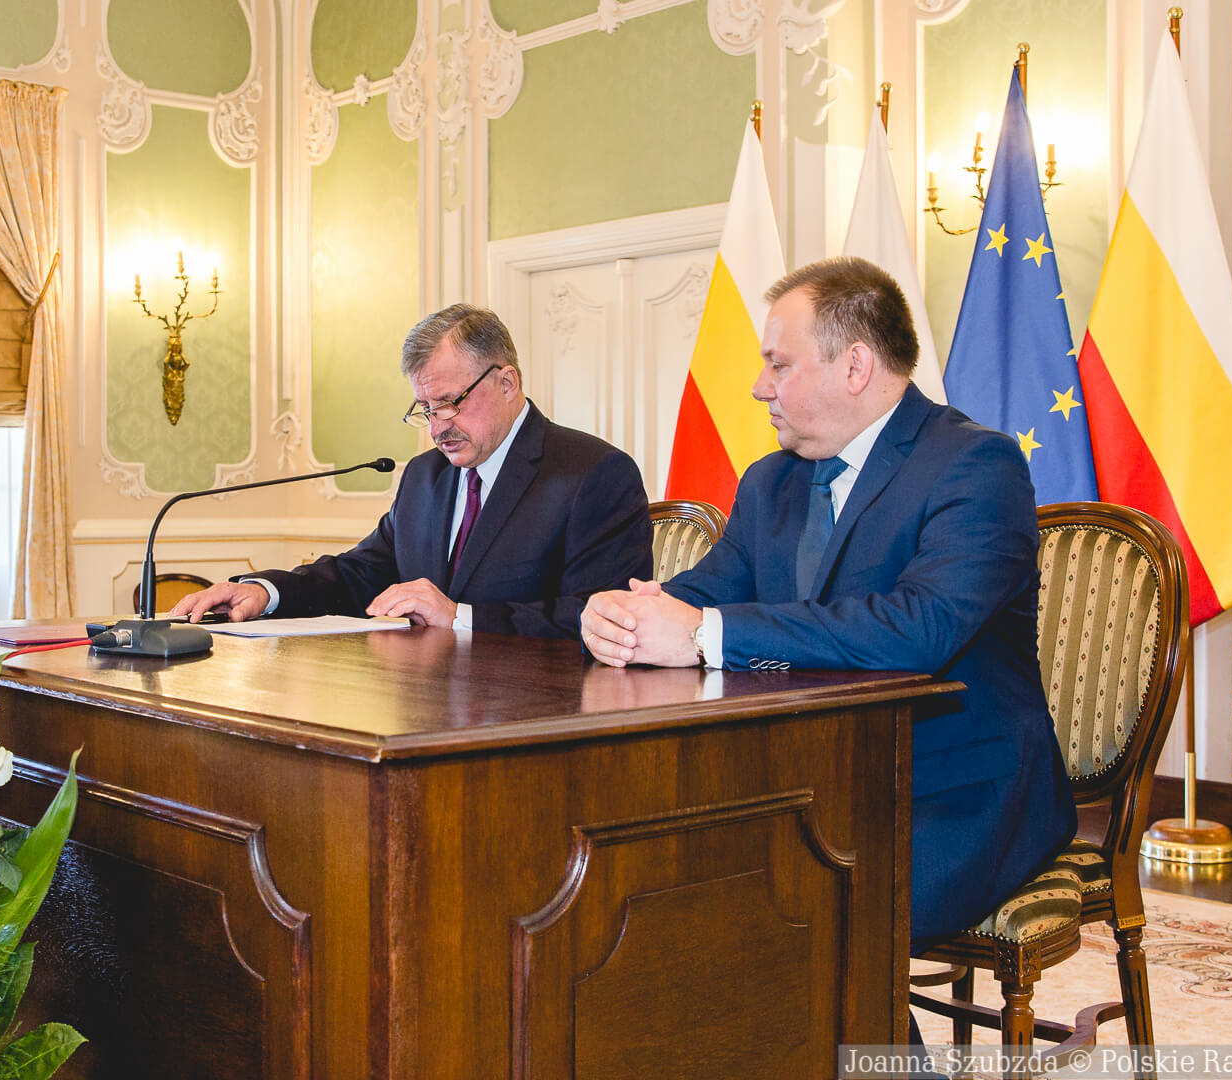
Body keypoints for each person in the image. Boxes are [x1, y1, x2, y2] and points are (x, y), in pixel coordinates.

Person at [580, 257, 1075, 944]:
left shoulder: (975, 466)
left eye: (778, 365)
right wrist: (624, 616)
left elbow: (920, 629)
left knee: (783, 919)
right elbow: (706, 593)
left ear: (855, 366)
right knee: (649, 884)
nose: (759, 387)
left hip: (950, 790)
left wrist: (700, 634)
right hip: (799, 783)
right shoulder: (771, 481)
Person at [172, 304, 652, 638]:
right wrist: (265, 592)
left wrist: (459, 617)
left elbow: (604, 619)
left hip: (535, 721)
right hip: (421, 708)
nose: (437, 427)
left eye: (450, 403)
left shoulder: (594, 474)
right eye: (425, 409)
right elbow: (361, 573)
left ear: (507, 383)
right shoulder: (426, 476)